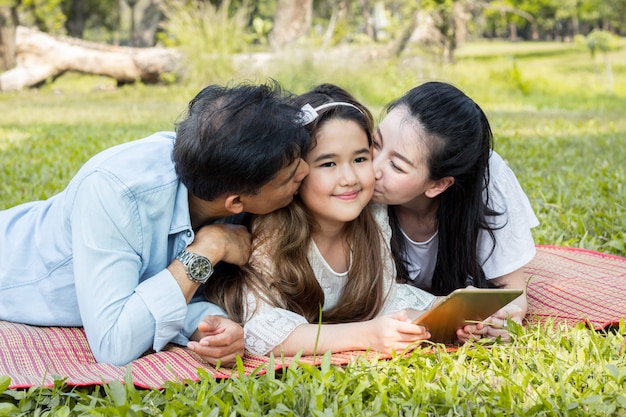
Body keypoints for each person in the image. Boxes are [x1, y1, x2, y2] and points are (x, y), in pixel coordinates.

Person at [0, 80, 311, 366]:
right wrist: (207, 248)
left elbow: (157, 286)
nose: (306, 171)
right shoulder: (116, 193)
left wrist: (211, 325)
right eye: (290, 175)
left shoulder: (220, 169)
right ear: (235, 202)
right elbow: (113, 344)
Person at [205, 84, 436, 357]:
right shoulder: (274, 226)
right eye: (328, 164)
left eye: (360, 158)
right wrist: (369, 335)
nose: (349, 178)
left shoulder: (373, 215)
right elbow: (262, 332)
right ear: (297, 172)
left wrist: (451, 310)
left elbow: (385, 301)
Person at [371, 81, 539, 342]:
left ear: (438, 184)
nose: (373, 168)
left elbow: (511, 294)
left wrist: (498, 321)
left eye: (396, 165)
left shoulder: (489, 184)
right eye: (375, 143)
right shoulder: (354, 175)